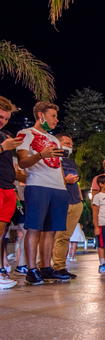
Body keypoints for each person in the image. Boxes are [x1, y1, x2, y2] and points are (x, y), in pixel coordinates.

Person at [16, 102, 71, 284]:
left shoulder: (55, 139)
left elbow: (59, 166)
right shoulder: (26, 134)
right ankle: (32, 270)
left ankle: (46, 268)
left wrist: (64, 187)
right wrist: (41, 154)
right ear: (41, 115)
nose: (56, 119)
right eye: (53, 115)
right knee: (34, 229)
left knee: (51, 230)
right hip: (37, 185)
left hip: (58, 189)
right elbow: (23, 162)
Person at [49, 133, 82, 279]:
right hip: (59, 201)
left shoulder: (71, 162)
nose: (70, 146)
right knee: (51, 236)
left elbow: (76, 182)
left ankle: (60, 267)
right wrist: (65, 180)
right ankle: (42, 266)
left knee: (65, 237)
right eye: (67, 143)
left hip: (75, 202)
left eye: (71, 144)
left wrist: (80, 199)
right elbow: (48, 178)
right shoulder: (51, 159)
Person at [0, 96, 23, 289]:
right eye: (0, 116)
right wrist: (2, 147)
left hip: (8, 189)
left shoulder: (5, 134)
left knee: (1, 233)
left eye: (6, 118)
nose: (2, 121)